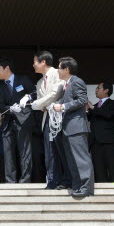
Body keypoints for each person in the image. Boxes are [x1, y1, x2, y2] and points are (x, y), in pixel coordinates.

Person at [53, 57, 94, 197]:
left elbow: (82, 100)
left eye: (59, 67)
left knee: (81, 159)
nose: (57, 70)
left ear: (66, 69)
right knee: (72, 160)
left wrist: (63, 106)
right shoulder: (66, 84)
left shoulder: (77, 82)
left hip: (76, 127)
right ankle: (77, 186)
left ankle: (86, 188)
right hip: (68, 128)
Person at [31, 50, 70, 189]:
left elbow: (56, 93)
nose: (33, 64)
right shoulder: (40, 82)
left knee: (61, 149)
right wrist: (40, 105)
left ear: (43, 62)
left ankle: (66, 179)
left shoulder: (57, 73)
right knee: (49, 150)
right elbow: (41, 103)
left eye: (35, 61)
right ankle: (53, 180)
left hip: (60, 117)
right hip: (47, 118)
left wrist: (39, 104)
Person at [0, 58, 37, 183]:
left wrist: (27, 98)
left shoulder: (22, 79)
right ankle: (10, 181)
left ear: (6, 68)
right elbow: (1, 105)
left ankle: (25, 180)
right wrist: (10, 109)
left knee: (25, 151)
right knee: (8, 154)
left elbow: (35, 93)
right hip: (8, 122)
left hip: (23, 120)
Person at [87, 82, 114, 182]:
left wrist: (93, 108)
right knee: (99, 171)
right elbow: (87, 120)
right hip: (95, 143)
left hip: (109, 142)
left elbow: (108, 115)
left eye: (99, 87)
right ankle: (102, 195)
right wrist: (86, 110)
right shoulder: (94, 106)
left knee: (113, 169)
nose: (96, 89)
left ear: (106, 90)